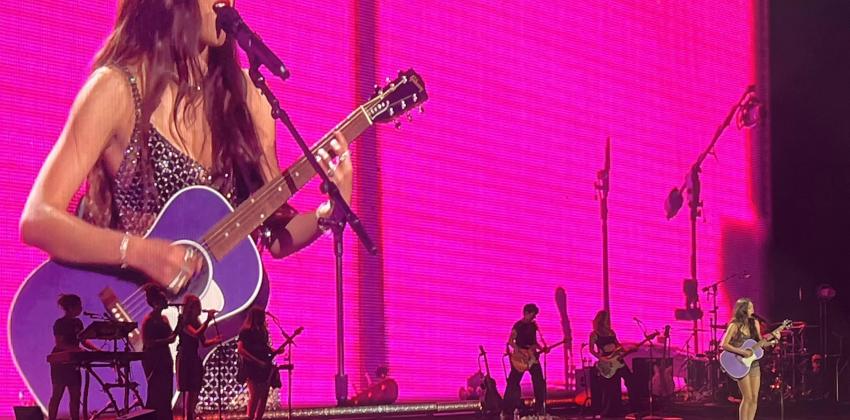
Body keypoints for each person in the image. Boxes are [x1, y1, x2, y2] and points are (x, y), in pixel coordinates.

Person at [19, 0, 352, 414]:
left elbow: (275, 239)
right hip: (146, 356)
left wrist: (327, 213)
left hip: (233, 372)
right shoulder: (119, 89)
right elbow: (37, 218)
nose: (226, 2)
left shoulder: (249, 101)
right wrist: (139, 251)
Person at [720, 298, 779, 420]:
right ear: (743, 310)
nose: (753, 310)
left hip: (753, 363)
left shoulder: (754, 323)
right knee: (747, 397)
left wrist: (774, 340)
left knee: (754, 398)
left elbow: (759, 343)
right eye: (750, 307)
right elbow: (724, 344)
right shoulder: (734, 325)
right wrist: (742, 352)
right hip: (740, 363)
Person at [47, 294, 99, 420]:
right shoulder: (60, 323)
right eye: (78, 306)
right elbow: (60, 343)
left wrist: (97, 350)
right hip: (60, 363)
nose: (81, 308)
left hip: (74, 362)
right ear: (70, 307)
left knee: (76, 395)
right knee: (57, 394)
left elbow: (83, 341)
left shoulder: (78, 322)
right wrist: (77, 349)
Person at [175, 294, 221, 420]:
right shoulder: (184, 321)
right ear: (190, 308)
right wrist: (208, 321)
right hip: (185, 358)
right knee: (188, 389)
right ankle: (188, 416)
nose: (199, 308)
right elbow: (195, 334)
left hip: (194, 358)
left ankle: (191, 414)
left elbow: (204, 342)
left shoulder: (197, 322)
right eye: (196, 306)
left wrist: (215, 340)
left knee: (195, 388)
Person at [502, 303, 549, 417]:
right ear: (526, 313)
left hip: (531, 356)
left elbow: (534, 343)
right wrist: (519, 351)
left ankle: (539, 407)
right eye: (532, 315)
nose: (534, 318)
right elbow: (510, 341)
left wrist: (542, 348)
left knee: (538, 380)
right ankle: (507, 409)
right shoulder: (518, 326)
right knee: (513, 382)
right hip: (521, 358)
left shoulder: (534, 326)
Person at [237, 307, 283, 420]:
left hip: (263, 366)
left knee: (264, 395)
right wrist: (256, 361)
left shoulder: (263, 331)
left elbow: (263, 347)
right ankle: (250, 417)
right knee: (255, 393)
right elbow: (241, 349)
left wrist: (273, 350)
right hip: (251, 367)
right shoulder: (246, 331)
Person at [588, 309, 637, 417]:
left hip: (618, 359)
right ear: (601, 320)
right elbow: (591, 350)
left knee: (630, 380)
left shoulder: (611, 332)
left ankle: (633, 407)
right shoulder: (594, 334)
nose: (608, 320)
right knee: (611, 387)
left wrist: (628, 349)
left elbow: (618, 345)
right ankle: (610, 411)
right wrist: (601, 358)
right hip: (607, 361)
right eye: (606, 318)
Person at [141, 285, 177, 420]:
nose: (166, 303)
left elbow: (171, 338)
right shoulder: (148, 320)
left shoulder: (164, 319)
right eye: (164, 300)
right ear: (156, 303)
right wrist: (165, 340)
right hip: (153, 359)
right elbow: (147, 342)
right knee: (156, 391)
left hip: (165, 357)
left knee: (166, 391)